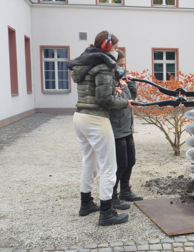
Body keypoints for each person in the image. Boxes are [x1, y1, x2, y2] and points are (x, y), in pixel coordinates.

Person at [68, 31, 133, 226]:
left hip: (80, 116)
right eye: (114, 48)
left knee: (89, 161)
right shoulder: (103, 66)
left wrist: (113, 89)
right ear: (106, 47)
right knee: (109, 167)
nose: (116, 51)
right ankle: (107, 213)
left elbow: (95, 89)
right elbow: (103, 99)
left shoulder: (84, 63)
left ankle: (86, 203)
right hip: (96, 119)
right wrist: (124, 102)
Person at [109, 50, 143, 211]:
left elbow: (132, 99)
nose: (123, 68)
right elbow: (111, 102)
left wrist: (130, 83)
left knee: (131, 161)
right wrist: (117, 88)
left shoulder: (121, 81)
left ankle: (125, 191)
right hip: (116, 129)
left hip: (127, 128)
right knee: (120, 164)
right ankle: (112, 196)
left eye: (124, 65)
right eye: (120, 65)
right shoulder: (109, 83)